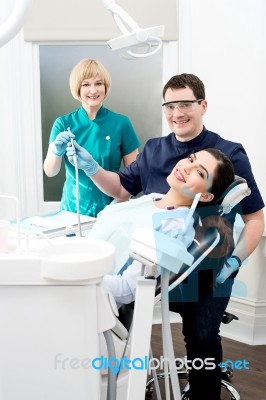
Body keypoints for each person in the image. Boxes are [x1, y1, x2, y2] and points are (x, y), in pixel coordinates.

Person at [66, 73, 265, 400]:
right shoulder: (155, 149)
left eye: (186, 104)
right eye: (170, 105)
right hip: (153, 257)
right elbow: (120, 189)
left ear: (203, 106)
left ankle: (203, 392)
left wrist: (233, 261)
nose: (177, 113)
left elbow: (254, 217)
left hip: (207, 265)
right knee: (122, 315)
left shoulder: (228, 154)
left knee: (200, 334)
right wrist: (90, 168)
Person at [88, 148, 235, 308]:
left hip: (91, 298)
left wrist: (73, 275)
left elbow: (127, 289)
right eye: (191, 159)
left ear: (206, 196)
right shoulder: (153, 198)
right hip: (80, 267)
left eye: (199, 173)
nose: (186, 167)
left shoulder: (175, 226)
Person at [43, 58, 141, 217]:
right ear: (77, 88)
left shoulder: (121, 124)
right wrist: (56, 152)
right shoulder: (63, 123)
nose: (93, 90)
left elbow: (135, 177)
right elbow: (50, 171)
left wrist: (121, 201)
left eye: (98, 83)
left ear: (105, 86)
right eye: (86, 84)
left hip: (111, 210)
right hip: (72, 212)